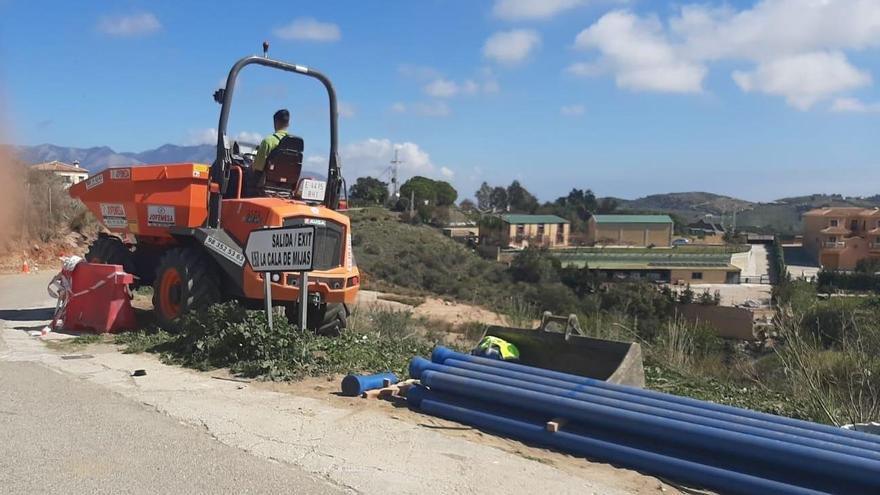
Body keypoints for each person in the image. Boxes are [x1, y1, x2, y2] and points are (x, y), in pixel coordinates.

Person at [251, 109, 290, 185]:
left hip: (265, 182)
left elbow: (257, 168)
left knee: (241, 172)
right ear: (288, 124)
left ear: (275, 122)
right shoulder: (293, 143)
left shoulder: (269, 141)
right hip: (287, 185)